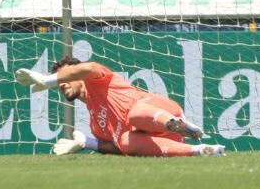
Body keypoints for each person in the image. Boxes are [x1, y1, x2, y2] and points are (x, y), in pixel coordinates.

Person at [13, 55, 224, 157]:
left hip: (158, 110)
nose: (63, 83)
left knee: (134, 114)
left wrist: (49, 80)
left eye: (66, 77)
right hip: (161, 140)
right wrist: (86, 143)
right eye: (60, 82)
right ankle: (200, 150)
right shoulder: (96, 124)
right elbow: (117, 148)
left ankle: (179, 124)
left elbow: (89, 68)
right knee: (124, 141)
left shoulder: (99, 80)